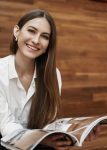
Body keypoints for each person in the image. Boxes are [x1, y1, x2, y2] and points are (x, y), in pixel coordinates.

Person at [0, 9, 101, 150]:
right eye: (31, 31)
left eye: (44, 36)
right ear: (17, 31)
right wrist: (43, 140)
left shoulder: (53, 75)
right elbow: (6, 126)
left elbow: (48, 124)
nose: (36, 40)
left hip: (35, 142)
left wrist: (78, 131)